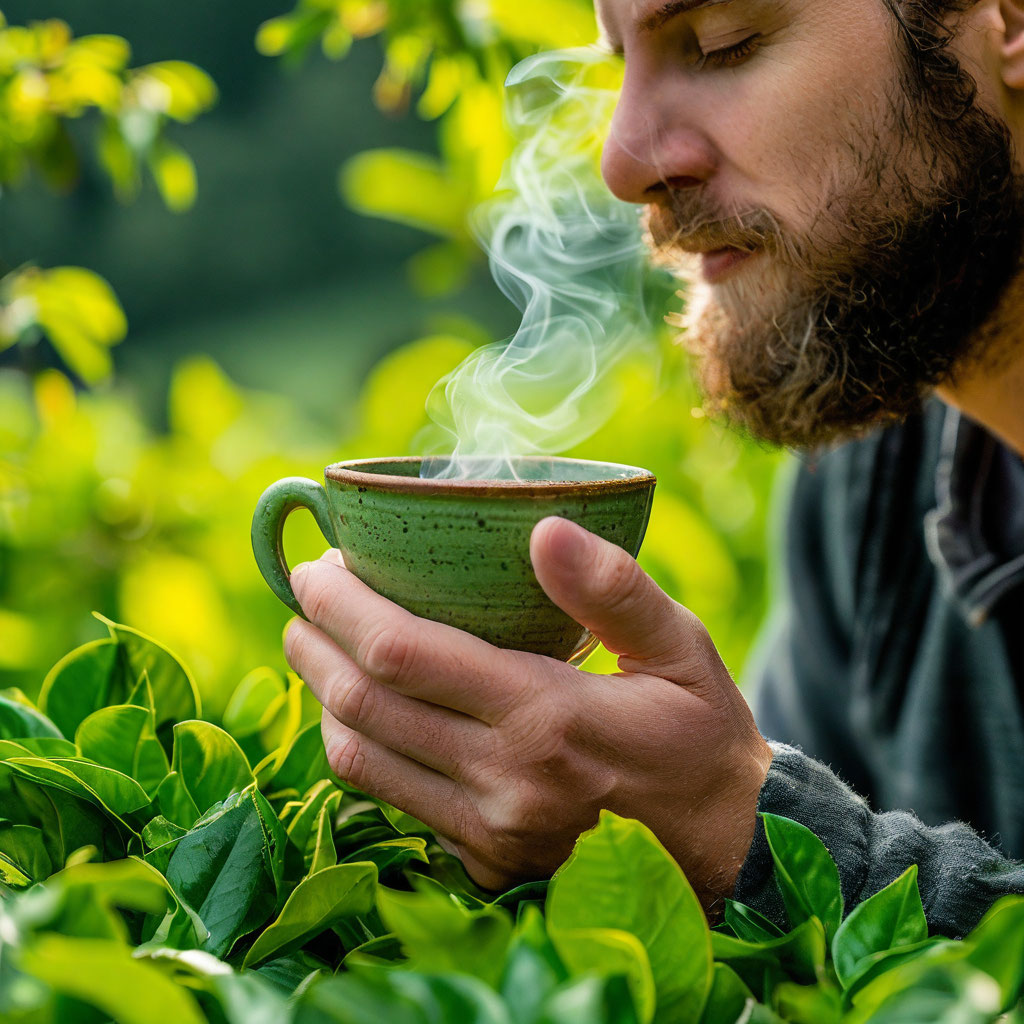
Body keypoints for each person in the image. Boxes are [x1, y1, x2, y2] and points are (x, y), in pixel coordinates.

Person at [283, 0, 1024, 937]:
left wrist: (736, 832)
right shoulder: (871, 473)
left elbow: (798, 847)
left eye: (724, 44)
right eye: (619, 62)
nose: (624, 161)